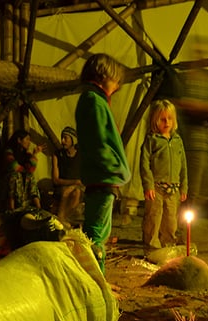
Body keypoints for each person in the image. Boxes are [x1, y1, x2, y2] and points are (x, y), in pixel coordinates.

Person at [75, 53, 131, 273]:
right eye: (116, 82)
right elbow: (98, 142)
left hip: (101, 177)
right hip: (102, 177)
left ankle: (95, 278)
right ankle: (96, 281)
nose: (117, 87)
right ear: (103, 75)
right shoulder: (93, 101)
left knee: (97, 232)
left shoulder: (93, 100)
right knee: (96, 235)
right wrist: (115, 168)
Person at [140, 99, 188, 251]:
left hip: (173, 188)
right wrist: (148, 185)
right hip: (156, 188)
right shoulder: (151, 140)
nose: (166, 122)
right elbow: (144, 164)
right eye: (162, 119)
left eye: (169, 118)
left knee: (171, 220)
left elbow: (183, 165)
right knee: (153, 218)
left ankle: (168, 245)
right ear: (155, 120)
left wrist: (184, 186)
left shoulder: (177, 140)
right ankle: (151, 247)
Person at [3, 128, 42, 211]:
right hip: (7, 182)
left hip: (22, 182)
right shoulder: (8, 151)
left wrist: (34, 154)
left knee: (30, 176)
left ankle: (38, 207)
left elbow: (31, 169)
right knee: (15, 175)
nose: (29, 142)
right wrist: (25, 171)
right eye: (27, 139)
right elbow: (14, 166)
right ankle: (11, 208)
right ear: (19, 140)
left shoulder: (26, 154)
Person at [51, 126, 83, 224]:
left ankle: (60, 219)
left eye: (65, 138)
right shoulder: (57, 155)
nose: (62, 141)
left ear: (73, 140)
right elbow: (55, 180)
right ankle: (62, 219)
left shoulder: (81, 155)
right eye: (62, 138)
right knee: (68, 192)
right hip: (62, 187)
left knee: (76, 192)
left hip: (78, 187)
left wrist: (76, 184)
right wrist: (75, 182)